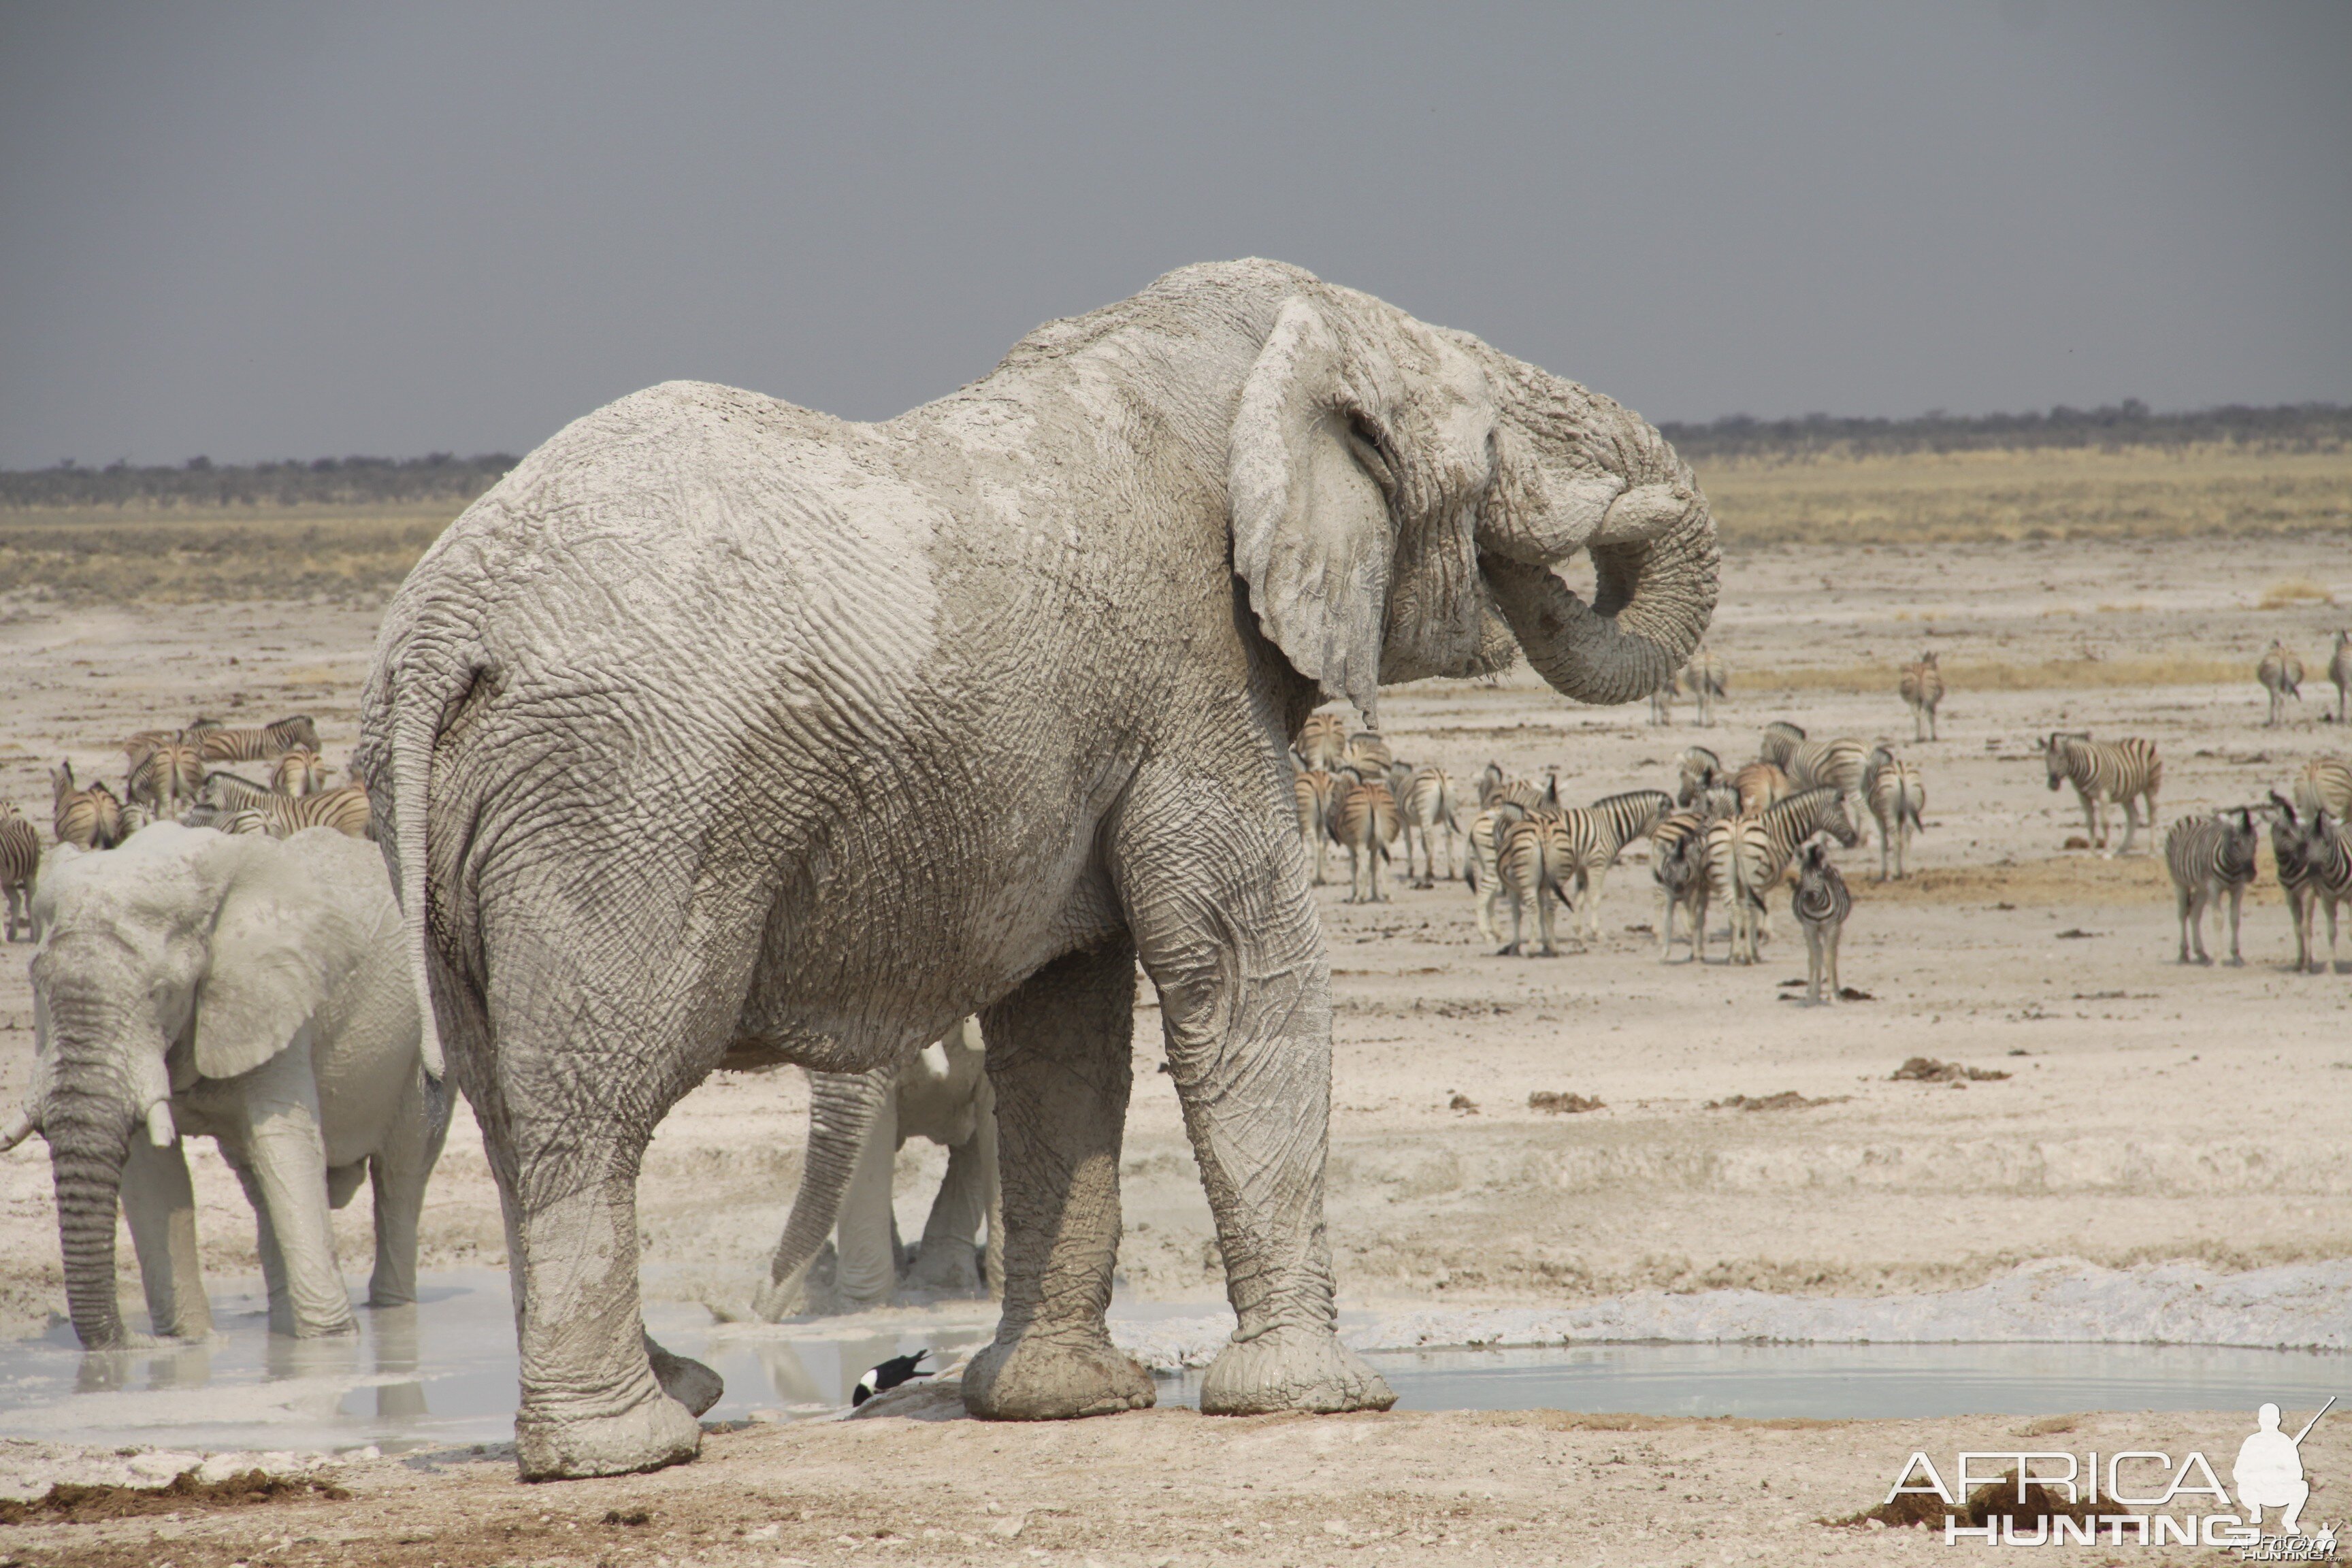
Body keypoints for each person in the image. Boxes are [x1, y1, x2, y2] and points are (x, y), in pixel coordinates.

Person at [2234, 1403, 2311, 1535]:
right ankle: (2255, 1510)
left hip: (2279, 1492)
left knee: (2302, 1486)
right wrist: (2258, 1475)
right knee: (2242, 1486)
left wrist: (2278, 1473)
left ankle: (2289, 1520)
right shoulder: (2252, 1441)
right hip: (2256, 1493)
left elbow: (2297, 1474)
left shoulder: (2285, 1442)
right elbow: (2238, 1473)